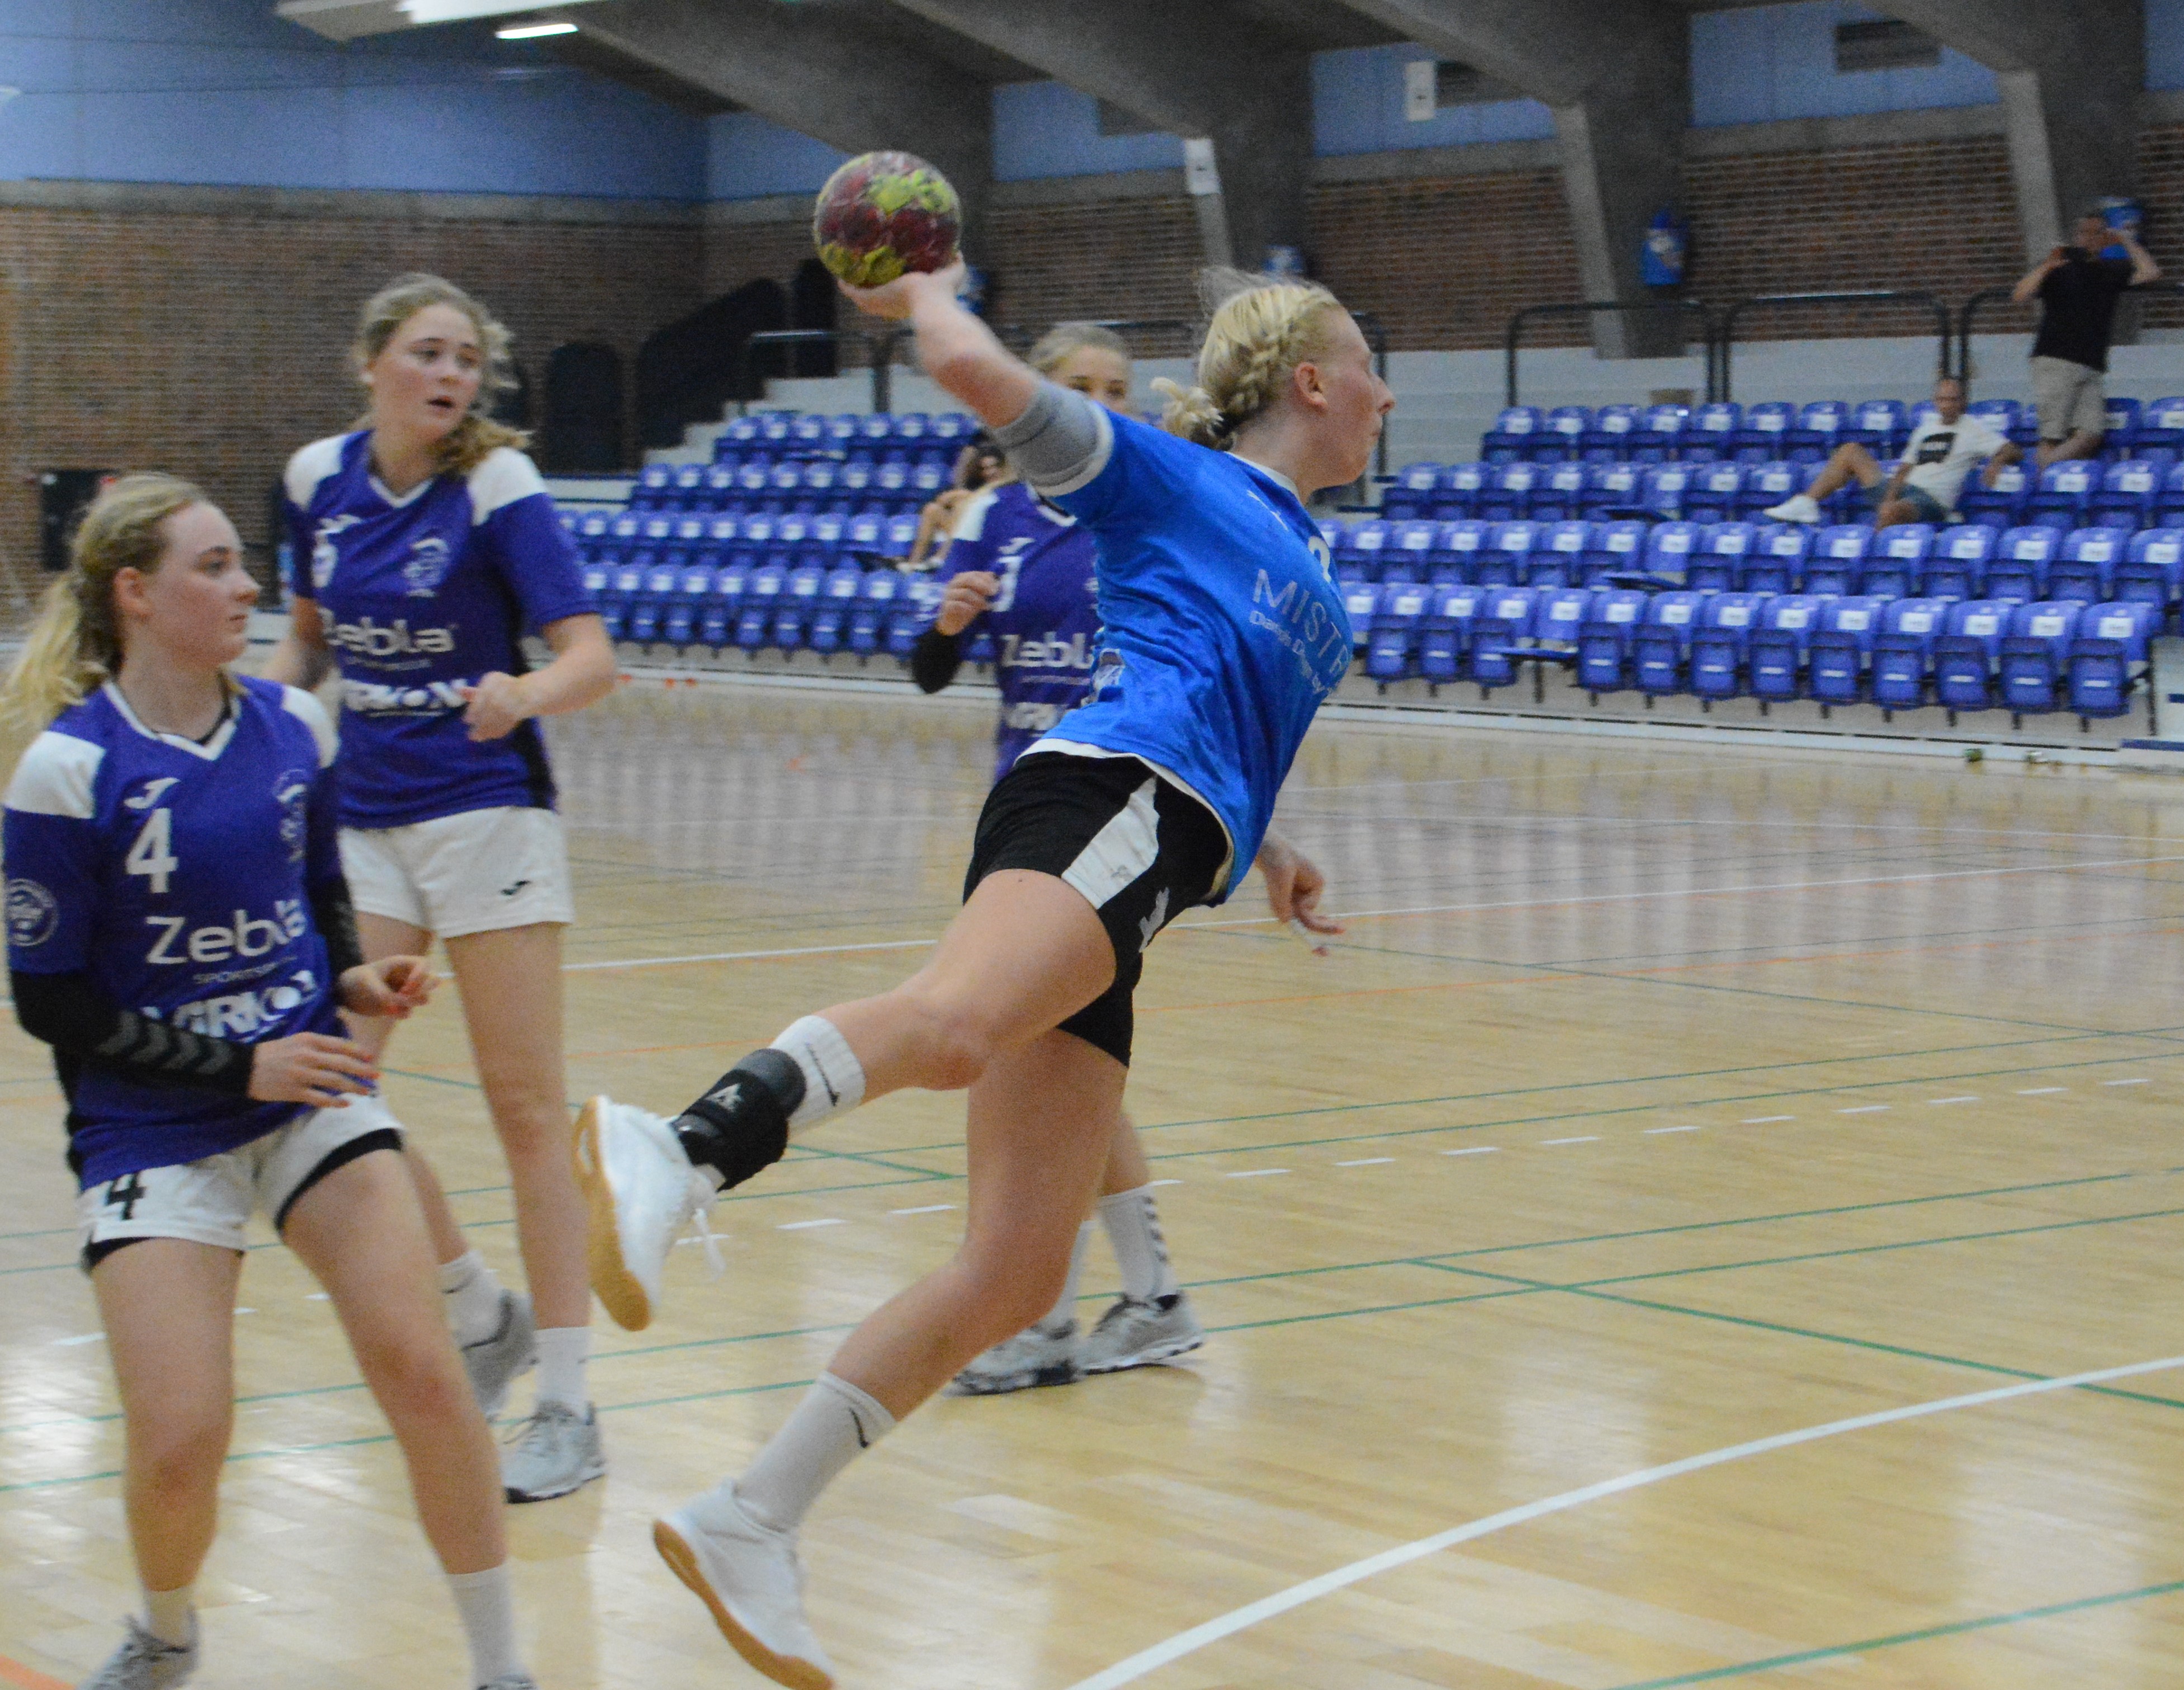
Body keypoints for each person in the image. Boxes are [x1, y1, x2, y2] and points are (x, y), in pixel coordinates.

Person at [570, 259, 1377, 1690]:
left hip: (1157, 843)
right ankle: (673, 1149)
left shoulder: (1291, 537)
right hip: (1105, 803)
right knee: (948, 1028)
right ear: (1313, 380)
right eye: (1368, 362)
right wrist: (928, 295)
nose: (1383, 390)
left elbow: (1215, 697)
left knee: (1015, 1269)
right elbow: (990, 388)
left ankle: (753, 1515)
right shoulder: (1180, 480)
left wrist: (1269, 845)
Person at [3, 476, 539, 1690]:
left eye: (243, 561)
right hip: (151, 1123)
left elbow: (318, 888)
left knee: (424, 1369)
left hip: (306, 1086)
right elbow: (53, 1004)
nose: (248, 585)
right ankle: (166, 1633)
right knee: (181, 1435)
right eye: (213, 566)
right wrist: (237, 1060)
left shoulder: (296, 723)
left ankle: (503, 1669)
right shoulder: (67, 768)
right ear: (137, 593)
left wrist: (351, 975)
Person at [262, 275, 620, 1502]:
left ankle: (569, 1403)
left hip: (486, 810)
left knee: (524, 1106)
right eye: (428, 352)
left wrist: (524, 693)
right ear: (372, 362)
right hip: (364, 810)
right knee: (332, 1085)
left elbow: (591, 656)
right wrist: (262, 728)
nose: (452, 375)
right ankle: (479, 1309)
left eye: (468, 358)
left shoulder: (497, 486)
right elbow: (307, 638)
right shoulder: (317, 479)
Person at [909, 320, 1207, 1394]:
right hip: (1023, 813)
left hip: (1114, 812)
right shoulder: (991, 517)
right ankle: (1152, 1298)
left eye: (1119, 388)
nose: (1104, 402)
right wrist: (949, 626)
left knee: (1040, 1057)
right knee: (1073, 1060)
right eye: (1082, 385)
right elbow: (930, 672)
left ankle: (1047, 1317)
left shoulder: (1146, 517)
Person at [1759, 374, 2017, 527]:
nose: (1947, 405)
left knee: (1890, 512)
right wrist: (1890, 496)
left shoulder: (1973, 429)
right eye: (1942, 399)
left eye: (1953, 400)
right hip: (1904, 490)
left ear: (1963, 401)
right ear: (1935, 401)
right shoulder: (1925, 429)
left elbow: (2013, 450)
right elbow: (1905, 469)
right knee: (1850, 451)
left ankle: (1871, 562)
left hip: (1931, 501)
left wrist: (1997, 462)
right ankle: (1807, 503)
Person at [2010, 209, 2159, 465]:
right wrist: (2047, 266)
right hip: (2056, 359)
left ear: (2106, 237)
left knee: (2091, 434)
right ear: (2076, 236)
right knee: (2052, 436)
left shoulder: (2111, 270)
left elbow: (2151, 273)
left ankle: (2045, 467)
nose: (2090, 238)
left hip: (2091, 364)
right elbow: (2020, 295)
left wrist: (2125, 241)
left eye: (2097, 233)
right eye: (2084, 233)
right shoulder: (2059, 267)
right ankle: (2045, 479)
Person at [902, 439, 1003, 567]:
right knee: (931, 510)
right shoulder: (979, 484)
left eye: (994, 467)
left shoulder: (1009, 485)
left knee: (961, 504)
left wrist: (966, 496)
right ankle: (914, 564)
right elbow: (942, 500)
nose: (990, 472)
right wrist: (961, 495)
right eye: (985, 469)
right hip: (970, 530)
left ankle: (941, 558)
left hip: (992, 532)